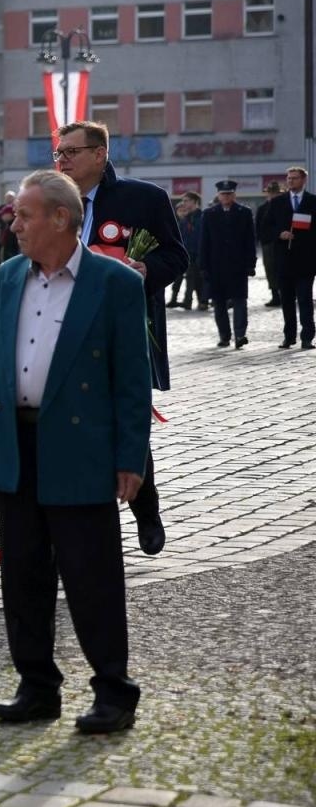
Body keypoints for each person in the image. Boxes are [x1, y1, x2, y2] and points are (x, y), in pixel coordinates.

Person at [0, 170, 149, 736]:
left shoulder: (114, 283)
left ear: (60, 219)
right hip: (14, 446)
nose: (13, 224)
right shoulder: (11, 275)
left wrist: (130, 459)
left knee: (91, 575)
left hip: (80, 449)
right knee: (23, 575)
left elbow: (131, 381)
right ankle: (36, 686)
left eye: (24, 215)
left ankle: (113, 689)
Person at [53, 120, 185, 556]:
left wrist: (147, 271)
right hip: (62, 336)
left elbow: (176, 256)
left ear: (99, 154)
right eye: (59, 153)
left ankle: (146, 513)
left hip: (122, 333)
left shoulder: (143, 199)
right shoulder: (50, 200)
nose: (62, 160)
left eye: (70, 152)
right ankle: (75, 529)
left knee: (127, 427)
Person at [197, 180, 256, 349]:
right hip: (216, 266)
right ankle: (224, 336)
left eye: (229, 193)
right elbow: (204, 241)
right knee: (219, 303)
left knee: (240, 301)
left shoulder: (244, 212)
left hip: (238, 266)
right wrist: (203, 265)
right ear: (218, 195)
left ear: (234, 194)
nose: (226, 196)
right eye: (223, 194)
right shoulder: (209, 214)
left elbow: (250, 240)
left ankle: (240, 335)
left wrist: (251, 263)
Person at [264, 166, 316, 350]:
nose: (290, 181)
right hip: (283, 260)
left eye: (294, 178)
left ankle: (307, 337)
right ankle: (289, 337)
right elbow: (265, 228)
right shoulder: (277, 203)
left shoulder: (312, 201)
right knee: (286, 301)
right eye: (289, 178)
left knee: (305, 300)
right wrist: (280, 234)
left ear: (303, 180)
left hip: (306, 261)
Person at [168, 193, 206, 311]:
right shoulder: (186, 219)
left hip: (200, 253)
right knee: (190, 277)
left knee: (199, 279)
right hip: (187, 253)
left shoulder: (203, 216)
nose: (184, 203)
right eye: (183, 200)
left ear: (195, 201)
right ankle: (189, 301)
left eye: (187, 200)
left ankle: (202, 301)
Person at [255, 181, 284, 308]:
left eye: (276, 193)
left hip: (283, 243)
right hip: (268, 243)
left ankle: (286, 294)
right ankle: (275, 295)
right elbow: (258, 227)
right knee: (270, 270)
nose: (273, 195)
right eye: (271, 193)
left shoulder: (285, 207)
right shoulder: (263, 209)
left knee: (283, 269)